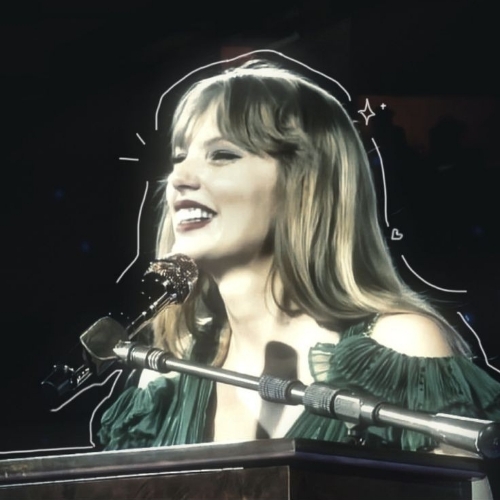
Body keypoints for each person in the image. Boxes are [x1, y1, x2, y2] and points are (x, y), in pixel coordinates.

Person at [99, 57, 500, 452]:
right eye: (179, 157)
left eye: (222, 155)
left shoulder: (400, 349)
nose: (179, 178)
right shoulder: (165, 380)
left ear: (305, 182)